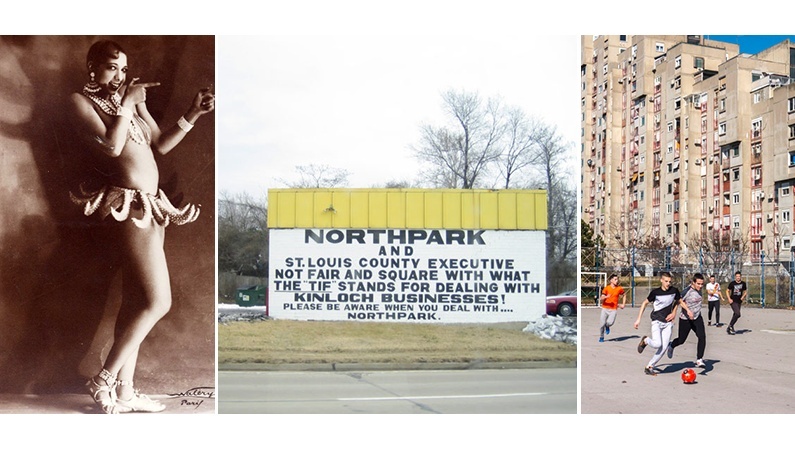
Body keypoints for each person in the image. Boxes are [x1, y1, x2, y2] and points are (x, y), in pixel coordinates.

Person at [68, 40, 214, 413]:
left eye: (123, 69)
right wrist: (128, 104)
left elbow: (160, 144)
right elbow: (113, 148)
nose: (119, 76)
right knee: (158, 301)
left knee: (136, 302)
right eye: (111, 68)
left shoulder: (129, 103)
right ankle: (103, 379)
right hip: (127, 206)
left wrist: (192, 114)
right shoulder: (80, 103)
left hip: (152, 207)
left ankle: (126, 392)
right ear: (92, 69)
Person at [633, 272, 691, 376]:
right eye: (666, 281)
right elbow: (644, 303)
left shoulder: (674, 291)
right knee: (657, 344)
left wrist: (687, 310)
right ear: (661, 280)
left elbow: (680, 301)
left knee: (664, 348)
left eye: (669, 281)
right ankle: (646, 340)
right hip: (656, 321)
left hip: (668, 323)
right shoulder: (655, 292)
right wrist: (638, 319)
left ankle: (649, 366)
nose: (668, 283)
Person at [666, 273, 706, 368]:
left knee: (702, 336)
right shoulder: (687, 291)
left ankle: (699, 359)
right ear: (693, 282)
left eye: (702, 284)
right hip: (685, 319)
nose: (700, 286)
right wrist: (674, 313)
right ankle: (671, 345)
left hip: (697, 318)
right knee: (681, 340)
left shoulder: (700, 290)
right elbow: (677, 301)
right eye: (698, 284)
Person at [598, 274, 626, 342]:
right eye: (615, 279)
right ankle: (601, 337)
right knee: (602, 324)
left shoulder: (619, 288)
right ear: (611, 280)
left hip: (613, 309)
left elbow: (624, 294)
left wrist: (623, 304)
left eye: (617, 279)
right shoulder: (607, 288)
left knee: (610, 323)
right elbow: (601, 298)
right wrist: (606, 297)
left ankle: (607, 326)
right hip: (605, 308)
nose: (617, 281)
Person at [725, 271, 747, 335]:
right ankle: (730, 326)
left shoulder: (743, 284)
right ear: (735, 277)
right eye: (737, 276)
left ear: (741, 277)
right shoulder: (732, 283)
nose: (738, 278)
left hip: (739, 301)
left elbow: (745, 291)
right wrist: (729, 298)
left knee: (735, 314)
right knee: (738, 314)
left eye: (739, 276)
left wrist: (743, 297)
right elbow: (727, 291)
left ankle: (730, 327)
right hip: (733, 301)